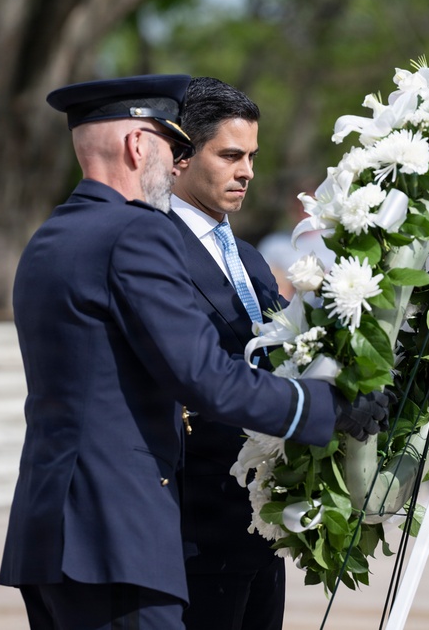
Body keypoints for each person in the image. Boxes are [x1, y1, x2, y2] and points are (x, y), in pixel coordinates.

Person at [0, 74, 388, 629]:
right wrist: (328, 407)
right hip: (121, 534)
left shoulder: (51, 237)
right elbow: (203, 375)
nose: (175, 161)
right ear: (139, 145)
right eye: (171, 145)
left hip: (55, 534)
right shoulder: (135, 233)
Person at [168, 76, 287, 629]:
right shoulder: (154, 246)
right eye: (231, 155)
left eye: (253, 156)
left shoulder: (246, 254)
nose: (247, 172)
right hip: (196, 521)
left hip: (258, 521)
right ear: (181, 157)